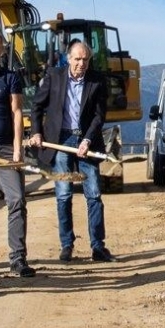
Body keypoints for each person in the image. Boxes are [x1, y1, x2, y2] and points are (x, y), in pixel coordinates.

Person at [29, 39, 115, 263]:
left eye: (85, 59)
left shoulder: (97, 81)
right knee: (64, 194)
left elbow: (99, 116)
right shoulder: (54, 77)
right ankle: (67, 245)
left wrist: (87, 139)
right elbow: (37, 105)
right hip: (60, 140)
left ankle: (98, 247)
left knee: (94, 194)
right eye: (77, 59)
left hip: (87, 140)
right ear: (68, 58)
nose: (81, 63)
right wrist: (36, 132)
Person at [0, 29, 37, 278]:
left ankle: (18, 258)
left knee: (16, 200)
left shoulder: (11, 78)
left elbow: (16, 112)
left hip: (5, 148)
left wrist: (17, 147)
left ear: (3, 50)